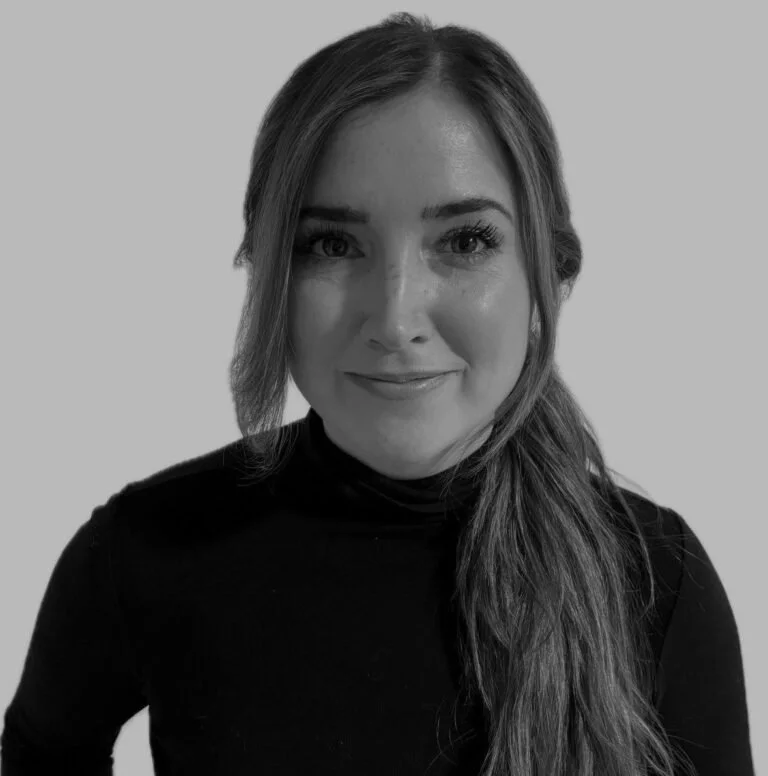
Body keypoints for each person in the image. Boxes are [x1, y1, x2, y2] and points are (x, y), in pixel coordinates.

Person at [0, 12, 755, 776]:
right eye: (332, 243)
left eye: (464, 242)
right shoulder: (145, 553)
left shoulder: (656, 581)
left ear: (549, 279)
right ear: (267, 274)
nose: (395, 320)